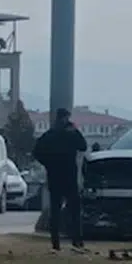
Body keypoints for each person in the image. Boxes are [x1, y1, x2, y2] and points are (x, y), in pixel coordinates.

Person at [32, 108, 88, 251]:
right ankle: (76, 240)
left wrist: (48, 164)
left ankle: (56, 242)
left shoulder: (49, 135)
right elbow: (83, 146)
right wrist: (75, 131)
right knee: (74, 210)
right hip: (68, 176)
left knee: (56, 211)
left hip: (55, 176)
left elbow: (36, 152)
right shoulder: (69, 134)